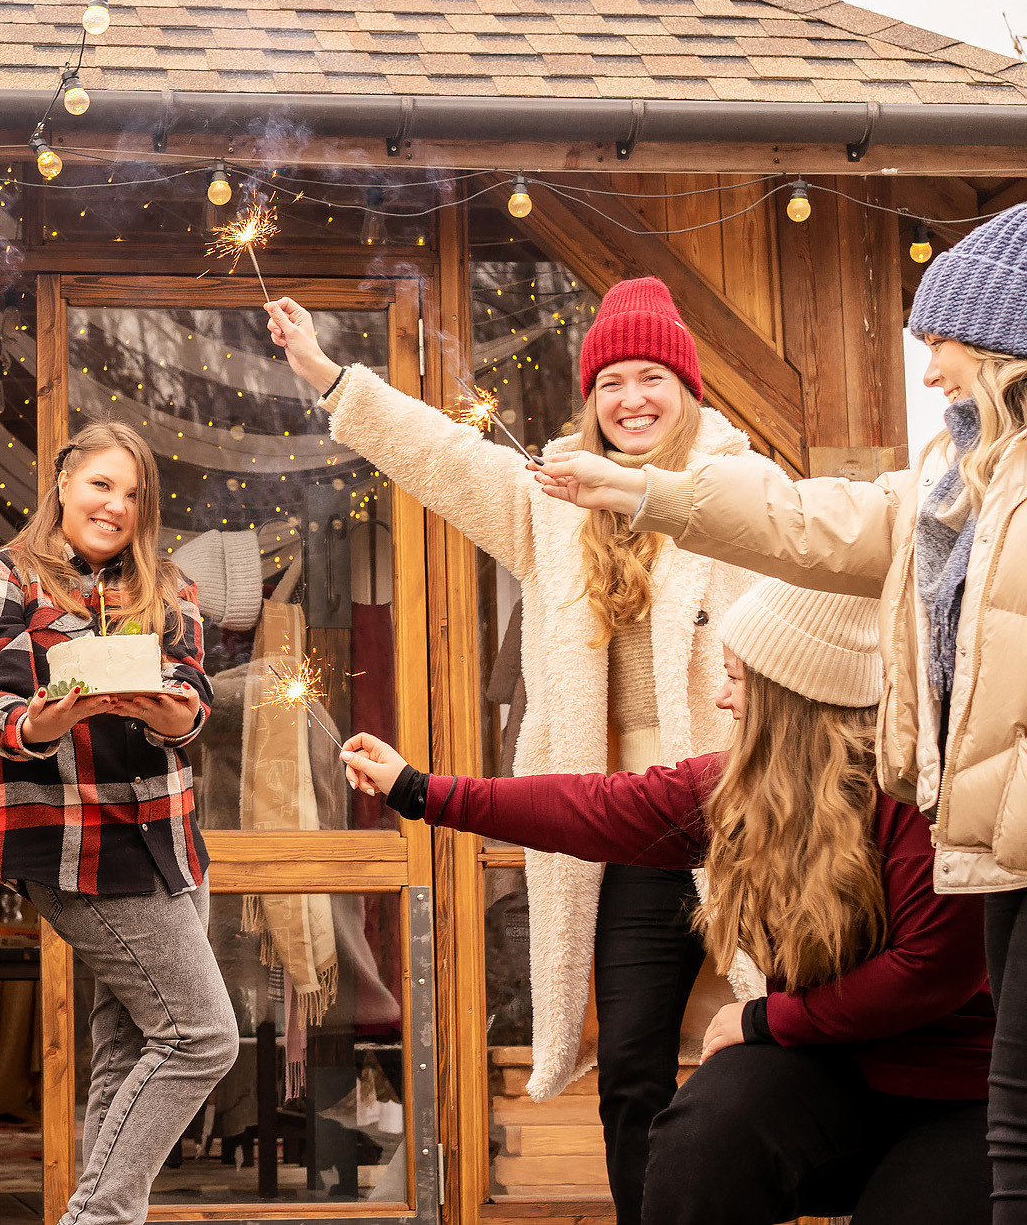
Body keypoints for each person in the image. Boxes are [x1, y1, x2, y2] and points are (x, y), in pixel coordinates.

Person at [528, 203, 1027, 1222]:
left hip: (1008, 845)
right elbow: (803, 521)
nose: (928, 369)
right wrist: (640, 491)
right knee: (1011, 1123)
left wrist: (764, 1022)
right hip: (998, 847)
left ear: (999, 345)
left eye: (940, 342)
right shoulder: (950, 488)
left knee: (1011, 1129)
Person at [265, 279, 770, 1220]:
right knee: (630, 1068)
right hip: (627, 829)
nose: (631, 399)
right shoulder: (555, 499)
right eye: (612, 381)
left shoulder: (740, 490)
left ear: (687, 387)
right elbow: (444, 454)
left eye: (651, 377)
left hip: (747, 818)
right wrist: (333, 378)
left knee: (769, 1047)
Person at [341, 578, 993, 1224]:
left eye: (735, 679)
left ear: (791, 695)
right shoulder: (739, 787)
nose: (721, 697)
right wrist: (418, 790)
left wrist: (768, 1020)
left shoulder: (922, 799)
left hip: (956, 1097)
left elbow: (927, 970)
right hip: (830, 1074)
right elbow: (593, 807)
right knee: (699, 1138)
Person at [0, 419, 228, 1225]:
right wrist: (39, 722)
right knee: (202, 1037)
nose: (116, 506)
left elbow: (192, 695)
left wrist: (174, 714)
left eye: (134, 494)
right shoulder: (5, 575)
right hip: (75, 847)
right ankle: (95, 1218)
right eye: (102, 484)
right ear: (65, 480)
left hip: (170, 842)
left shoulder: (168, 587)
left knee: (132, 1045)